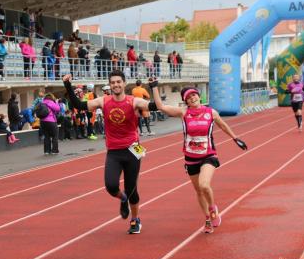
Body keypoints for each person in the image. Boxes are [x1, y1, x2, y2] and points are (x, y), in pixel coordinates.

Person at [149, 79, 248, 234]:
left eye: (194, 95)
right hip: (190, 157)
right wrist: (154, 87)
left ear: (199, 96)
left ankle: (213, 207)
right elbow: (161, 107)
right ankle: (207, 218)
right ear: (186, 101)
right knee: (199, 191)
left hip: (208, 155)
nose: (192, 98)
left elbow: (222, 125)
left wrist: (235, 138)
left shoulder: (211, 112)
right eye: (189, 97)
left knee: (204, 185)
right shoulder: (183, 113)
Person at [63, 71, 154, 234]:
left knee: (132, 188)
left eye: (119, 82)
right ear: (110, 85)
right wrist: (68, 85)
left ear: (124, 83)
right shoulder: (103, 102)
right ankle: (122, 198)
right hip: (114, 150)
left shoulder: (134, 101)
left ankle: (135, 220)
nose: (116, 85)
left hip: (133, 149)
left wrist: (153, 88)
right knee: (111, 185)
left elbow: (153, 106)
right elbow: (78, 105)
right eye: (113, 82)